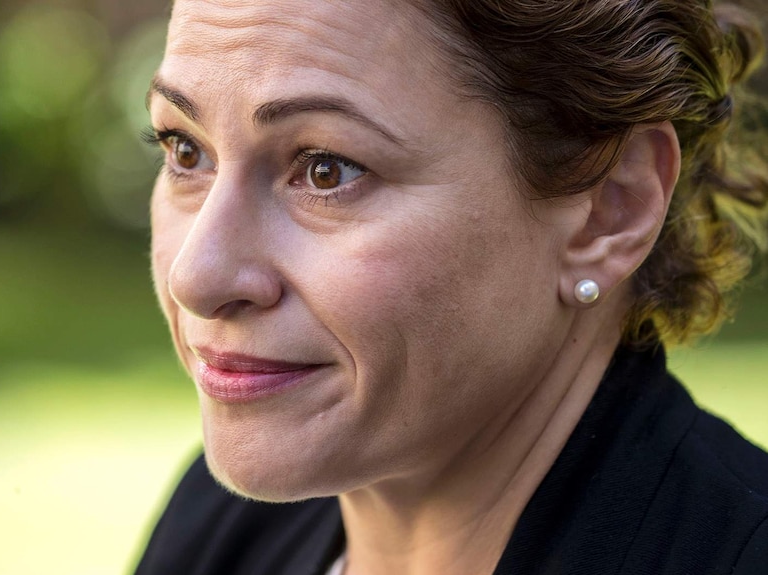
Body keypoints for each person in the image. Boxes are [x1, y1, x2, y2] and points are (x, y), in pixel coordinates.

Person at [134, 1, 768, 573]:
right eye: (186, 151)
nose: (197, 278)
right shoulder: (221, 531)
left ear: (610, 211)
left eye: (326, 170)